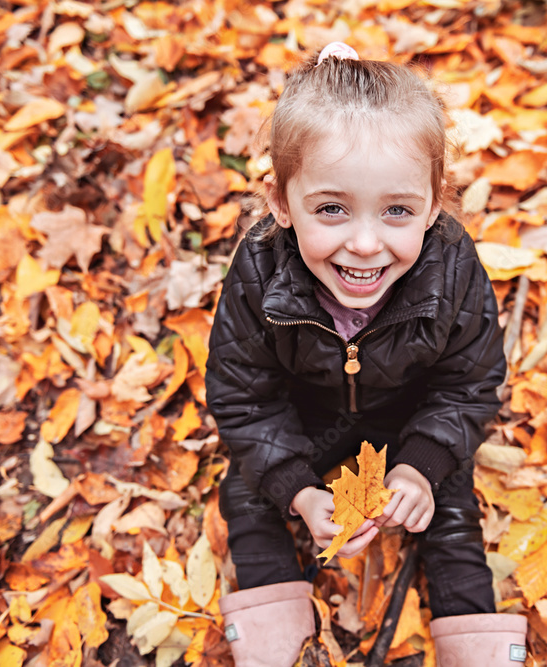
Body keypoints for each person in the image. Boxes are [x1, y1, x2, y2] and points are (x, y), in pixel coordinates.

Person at [207, 42, 528, 666]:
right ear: (281, 203)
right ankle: (277, 640)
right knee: (249, 493)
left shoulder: (452, 267)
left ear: (433, 205)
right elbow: (243, 396)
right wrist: (298, 490)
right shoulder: (258, 269)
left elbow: (470, 380)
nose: (363, 243)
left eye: (397, 212)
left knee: (452, 506)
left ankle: (475, 637)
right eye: (331, 209)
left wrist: (423, 463)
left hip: (407, 419)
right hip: (304, 418)